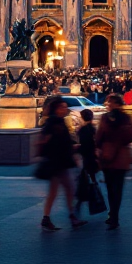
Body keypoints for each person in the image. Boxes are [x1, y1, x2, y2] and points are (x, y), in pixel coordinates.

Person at [38, 96, 84, 231]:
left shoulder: (59, 121)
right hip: (57, 161)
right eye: (63, 107)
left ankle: (48, 218)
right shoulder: (53, 122)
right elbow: (47, 140)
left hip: (59, 161)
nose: (65, 109)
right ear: (56, 109)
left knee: (58, 190)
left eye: (65, 107)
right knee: (67, 189)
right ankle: (70, 216)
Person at [96, 94, 132, 229]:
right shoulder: (126, 118)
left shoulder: (106, 118)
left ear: (118, 104)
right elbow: (130, 136)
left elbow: (99, 136)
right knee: (116, 188)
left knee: (112, 188)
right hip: (120, 156)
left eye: (111, 102)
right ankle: (114, 215)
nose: (109, 104)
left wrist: (98, 148)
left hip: (109, 155)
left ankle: (113, 215)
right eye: (108, 102)